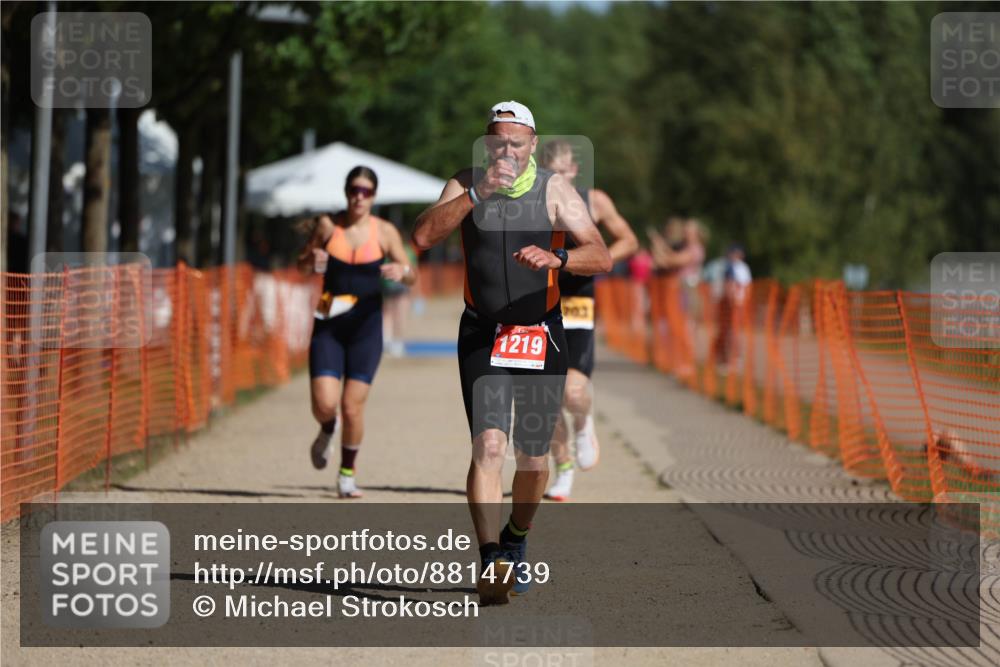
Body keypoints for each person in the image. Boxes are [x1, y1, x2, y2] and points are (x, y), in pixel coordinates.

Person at [412, 101, 611, 605]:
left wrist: (558, 257)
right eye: (498, 143)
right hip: (483, 332)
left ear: (532, 144)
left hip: (539, 334)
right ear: (486, 143)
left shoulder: (554, 189)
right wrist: (477, 193)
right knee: (488, 446)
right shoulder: (464, 183)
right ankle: (490, 560)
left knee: (533, 458)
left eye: (516, 144)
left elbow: (601, 254)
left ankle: (517, 537)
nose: (507, 152)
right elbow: (422, 236)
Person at [297, 166, 418, 498]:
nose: (359, 197)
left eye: (366, 192)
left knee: (352, 406)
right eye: (354, 190)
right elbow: (302, 264)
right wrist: (311, 260)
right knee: (325, 404)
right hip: (329, 325)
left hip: (366, 327)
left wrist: (403, 271)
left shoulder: (385, 232)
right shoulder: (328, 227)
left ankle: (347, 475)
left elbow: (413, 276)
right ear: (346, 192)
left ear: (374, 196)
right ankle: (327, 427)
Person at [537, 139, 638, 501]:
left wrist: (589, 259)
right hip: (539, 301)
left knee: (573, 391)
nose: (560, 178)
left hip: (577, 302)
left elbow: (629, 240)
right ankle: (563, 469)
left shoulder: (594, 201)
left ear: (575, 170)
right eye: (553, 173)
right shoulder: (531, 202)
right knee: (544, 397)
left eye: (565, 171)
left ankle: (583, 422)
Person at [712, 244, 751, 373]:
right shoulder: (729, 266)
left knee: (733, 332)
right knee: (729, 332)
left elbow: (737, 286)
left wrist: (733, 300)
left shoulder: (738, 267)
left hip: (736, 304)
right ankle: (727, 359)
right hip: (731, 304)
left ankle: (733, 359)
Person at [382, 233, 419, 357]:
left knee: (389, 314)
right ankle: (393, 342)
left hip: (392, 285)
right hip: (395, 285)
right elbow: (413, 271)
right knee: (397, 315)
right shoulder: (407, 250)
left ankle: (390, 341)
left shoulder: (387, 248)